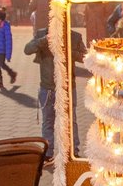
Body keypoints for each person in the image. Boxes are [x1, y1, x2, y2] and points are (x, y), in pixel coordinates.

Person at [24, 24, 87, 165]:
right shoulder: (42, 34)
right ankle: (48, 154)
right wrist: (44, 40)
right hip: (47, 88)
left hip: (67, 87)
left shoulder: (74, 36)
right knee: (48, 121)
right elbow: (27, 49)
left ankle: (73, 152)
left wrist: (67, 49)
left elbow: (85, 57)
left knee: (71, 120)